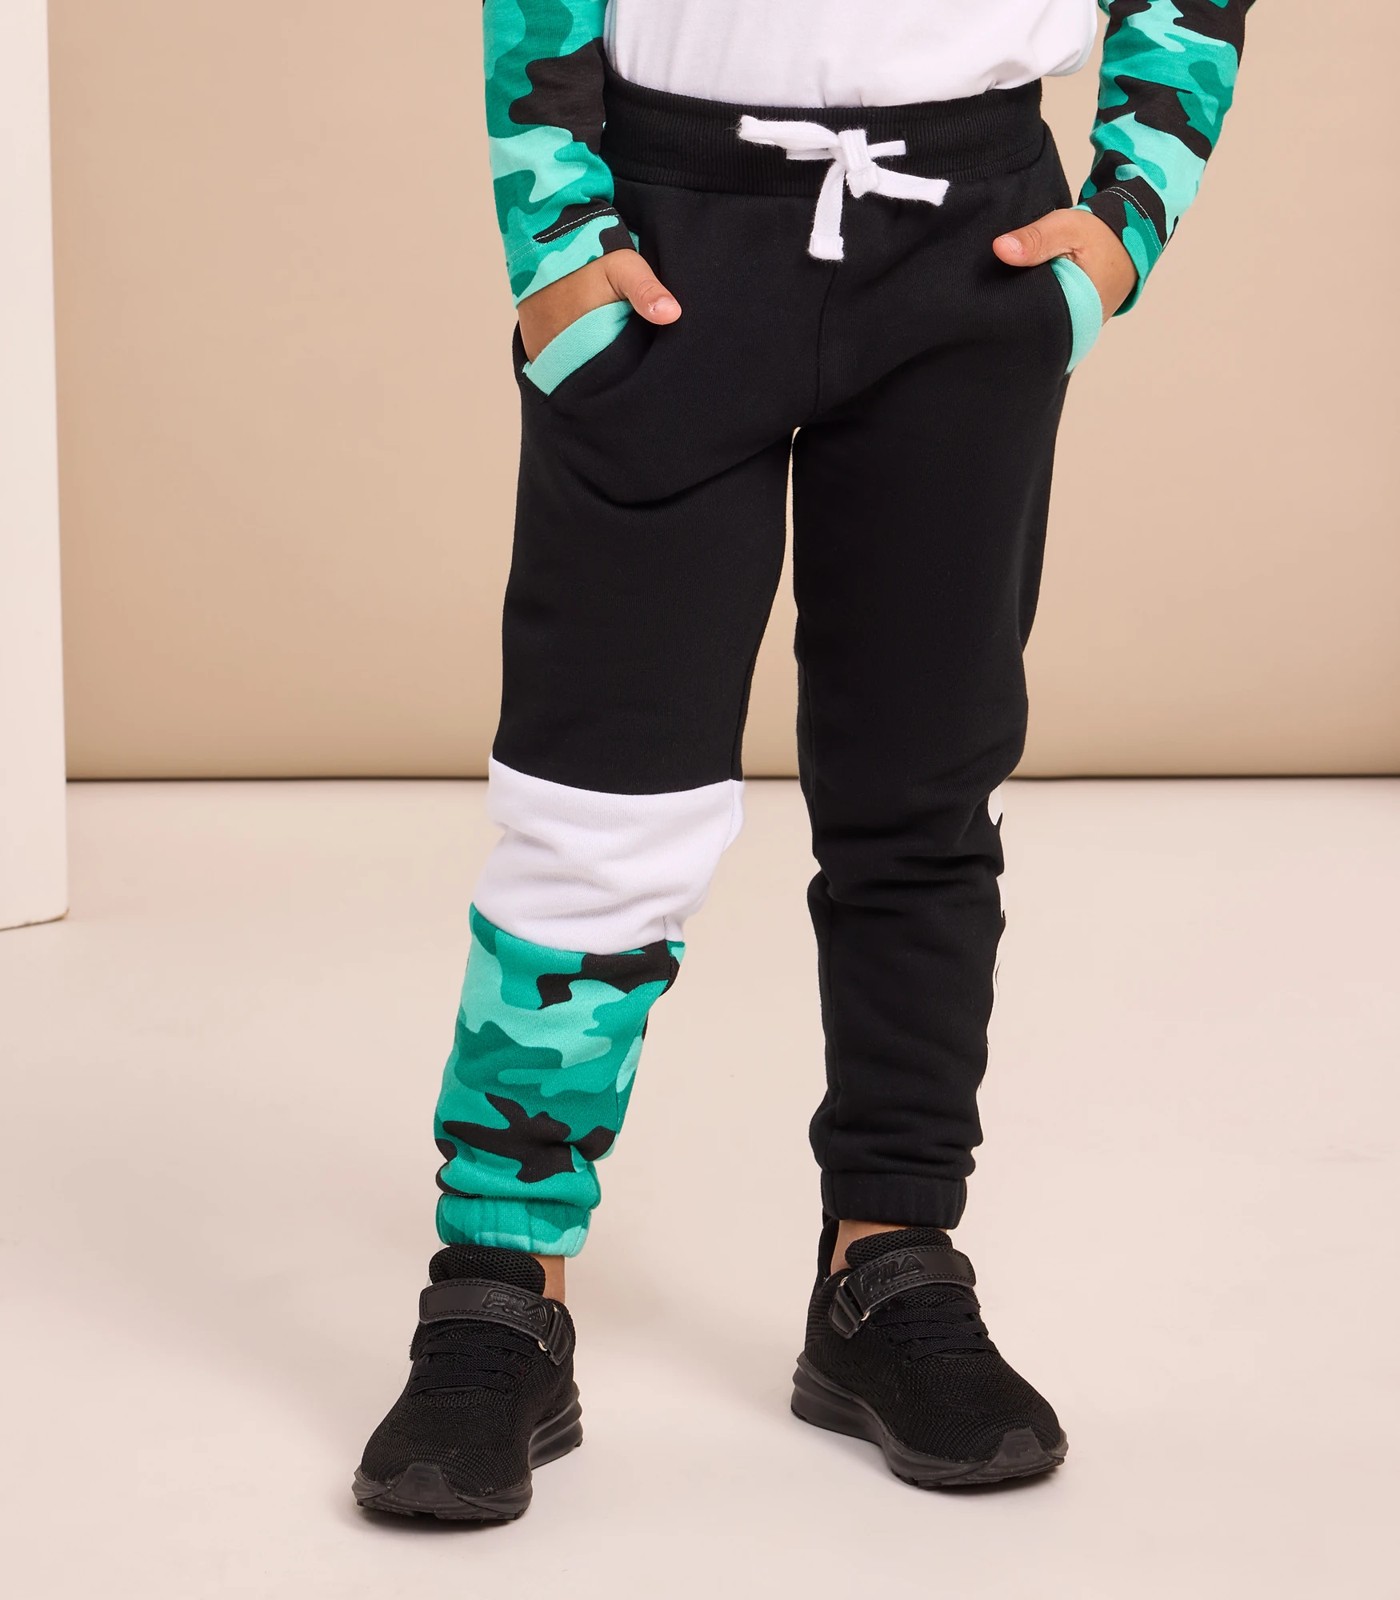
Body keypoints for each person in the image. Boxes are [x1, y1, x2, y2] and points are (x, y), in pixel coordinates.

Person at [354, 0, 1255, 1520]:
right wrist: (555, 222)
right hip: (665, 232)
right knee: (598, 798)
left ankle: (888, 1258)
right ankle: (501, 1275)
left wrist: (1129, 213)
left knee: (923, 785)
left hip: (971, 242)